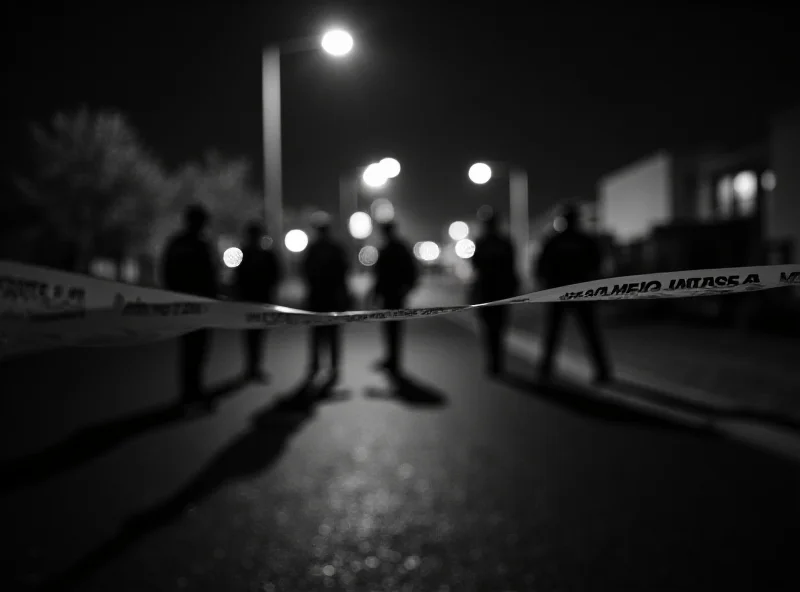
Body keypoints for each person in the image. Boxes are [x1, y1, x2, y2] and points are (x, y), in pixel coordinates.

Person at [535, 202, 612, 384]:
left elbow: (541, 268)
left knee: (554, 333)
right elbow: (597, 266)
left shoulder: (554, 241)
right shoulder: (585, 241)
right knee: (590, 333)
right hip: (580, 292)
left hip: (560, 292)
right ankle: (602, 371)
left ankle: (545, 369)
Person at [161, 204, 218, 410]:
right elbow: (211, 275)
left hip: (186, 303)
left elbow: (166, 272)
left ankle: (190, 391)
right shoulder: (200, 245)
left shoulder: (177, 243)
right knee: (196, 349)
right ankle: (192, 391)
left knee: (190, 349)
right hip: (197, 304)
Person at [301, 213, 351, 382]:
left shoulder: (315, 249)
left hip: (320, 298)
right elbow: (344, 272)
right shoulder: (335, 248)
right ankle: (332, 366)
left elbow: (305, 272)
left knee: (319, 334)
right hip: (330, 298)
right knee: (331, 334)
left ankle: (317, 365)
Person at [470, 210, 519, 376]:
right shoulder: (503, 242)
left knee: (491, 329)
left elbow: (476, 266)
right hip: (497, 291)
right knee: (497, 328)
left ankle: (494, 362)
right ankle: (496, 362)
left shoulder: (484, 242)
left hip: (490, 292)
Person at [234, 221, 283, 382]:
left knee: (254, 336)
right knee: (254, 336)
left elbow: (238, 279)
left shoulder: (247, 254)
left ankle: (252, 367)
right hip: (256, 301)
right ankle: (252, 367)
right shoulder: (254, 254)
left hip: (255, 301)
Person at [371, 221, 419, 376]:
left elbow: (410, 271)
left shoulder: (394, 248)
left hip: (395, 295)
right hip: (391, 294)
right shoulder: (396, 248)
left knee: (394, 329)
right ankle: (391, 359)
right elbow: (380, 274)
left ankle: (394, 361)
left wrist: (406, 289)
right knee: (390, 329)